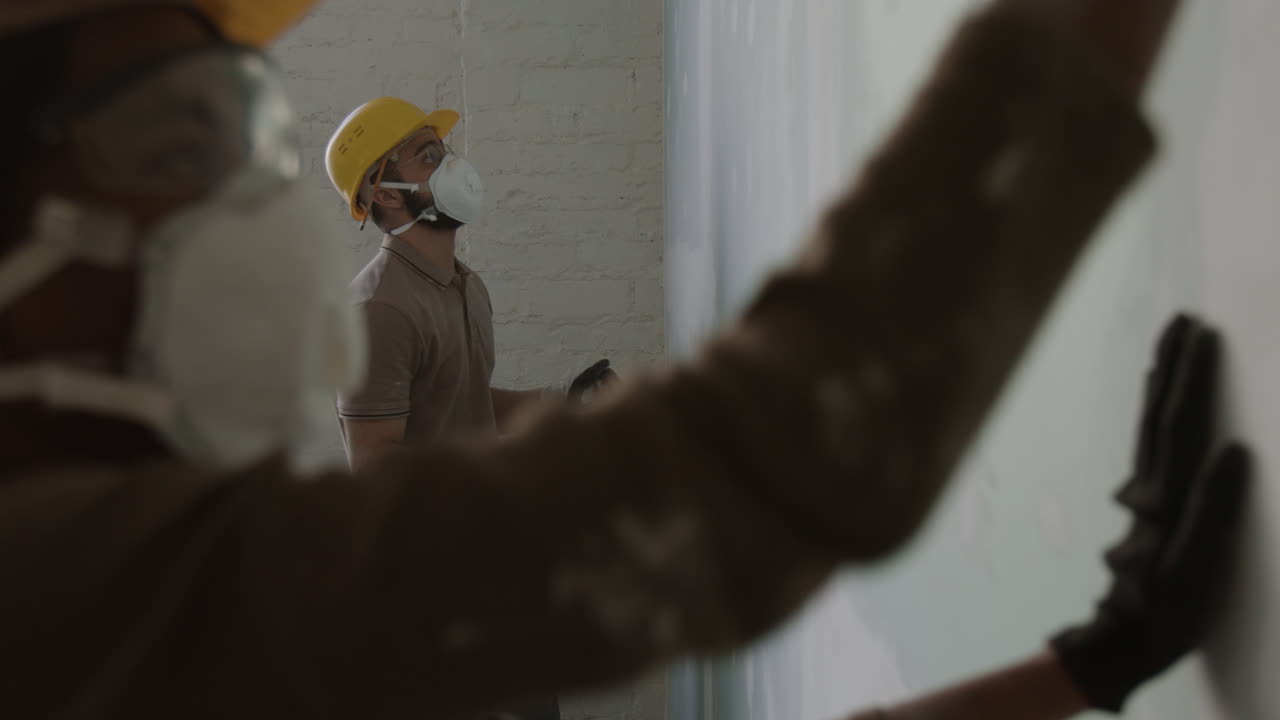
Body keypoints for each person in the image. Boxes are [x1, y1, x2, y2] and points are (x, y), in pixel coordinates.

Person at [0, 0, 1246, 718]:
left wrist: (1086, 665)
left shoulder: (143, 572)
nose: (235, 210)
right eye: (172, 142)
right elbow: (771, 461)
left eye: (242, 141)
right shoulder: (56, 589)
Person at [324, 97, 617, 472]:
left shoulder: (465, 284)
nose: (451, 165)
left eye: (443, 150)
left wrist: (566, 401)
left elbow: (464, 405)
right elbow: (374, 465)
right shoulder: (378, 310)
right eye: (428, 157)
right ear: (387, 194)